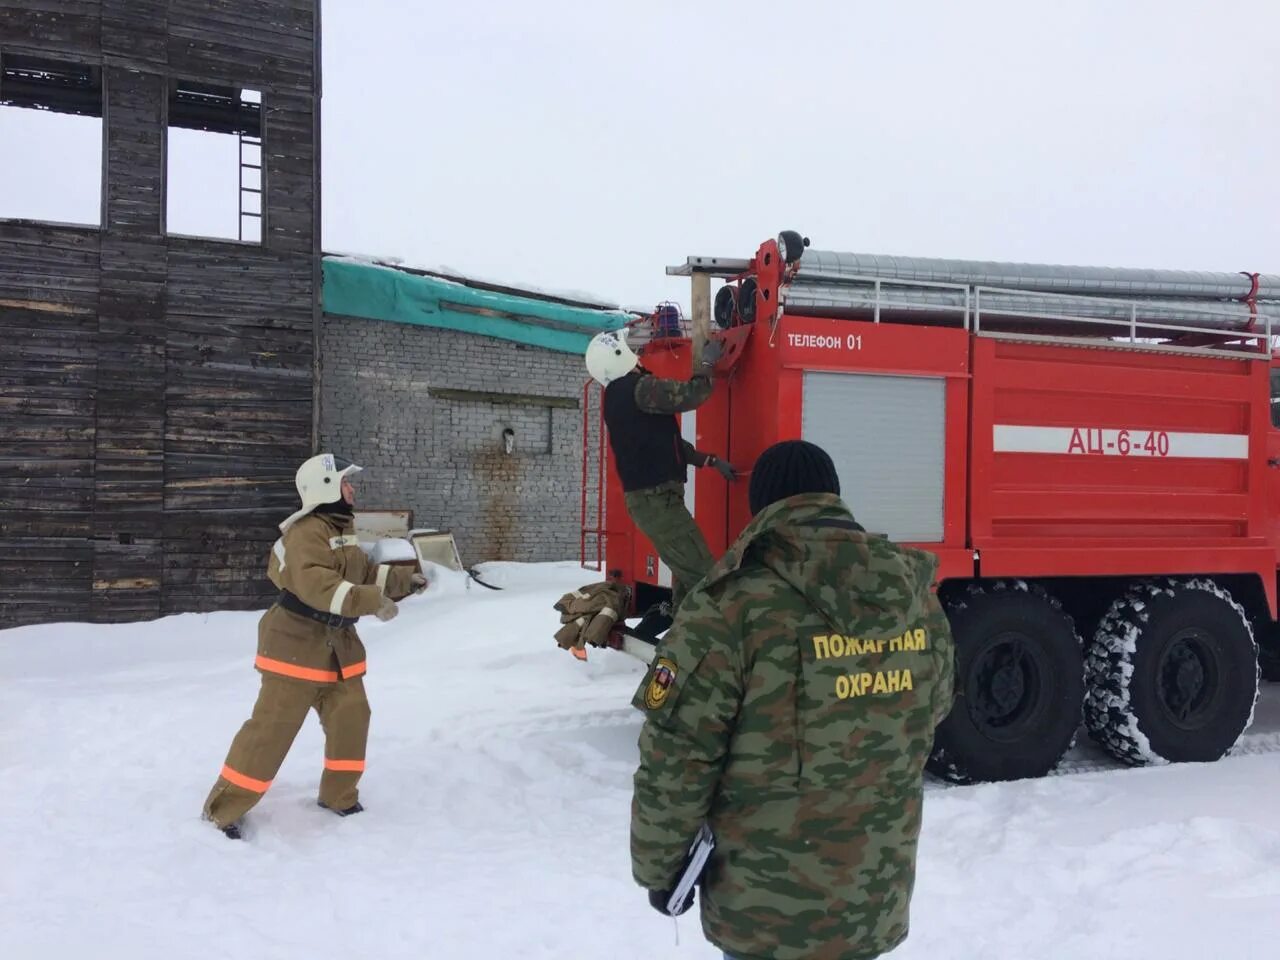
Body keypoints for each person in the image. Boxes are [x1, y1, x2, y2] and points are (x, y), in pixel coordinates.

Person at [629, 439, 956, 960]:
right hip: (873, 894)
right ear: (834, 498)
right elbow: (933, 706)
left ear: (762, 508)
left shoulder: (729, 607)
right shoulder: (915, 597)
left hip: (765, 911)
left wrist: (659, 868)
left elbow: (677, 755)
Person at [201, 453, 426, 839]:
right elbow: (319, 586)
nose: (352, 488)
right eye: (344, 483)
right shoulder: (306, 532)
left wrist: (407, 581)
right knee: (271, 731)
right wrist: (372, 601)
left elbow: (361, 572)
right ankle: (223, 810)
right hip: (295, 648)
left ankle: (339, 797)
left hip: (338, 648)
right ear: (325, 489)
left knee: (351, 719)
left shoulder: (340, 528)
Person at [585, 328, 736, 622]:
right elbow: (692, 395)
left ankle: (683, 634)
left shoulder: (617, 398)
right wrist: (706, 364)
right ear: (618, 357)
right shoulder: (640, 389)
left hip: (653, 502)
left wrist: (709, 460)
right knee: (706, 575)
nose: (638, 355)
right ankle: (718, 643)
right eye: (631, 351)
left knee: (685, 571)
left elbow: (666, 444)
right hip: (657, 501)